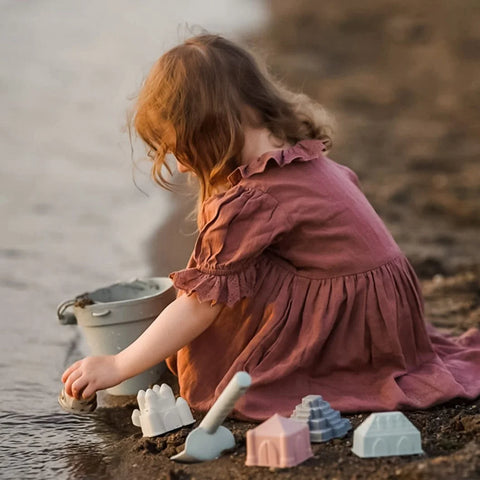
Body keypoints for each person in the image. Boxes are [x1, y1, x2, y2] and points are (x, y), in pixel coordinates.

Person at [62, 34, 480, 421]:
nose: (182, 165)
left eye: (178, 149)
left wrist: (118, 364)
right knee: (227, 281)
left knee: (223, 361)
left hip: (357, 329)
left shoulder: (257, 199)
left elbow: (197, 306)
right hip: (389, 310)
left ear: (209, 130)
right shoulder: (298, 156)